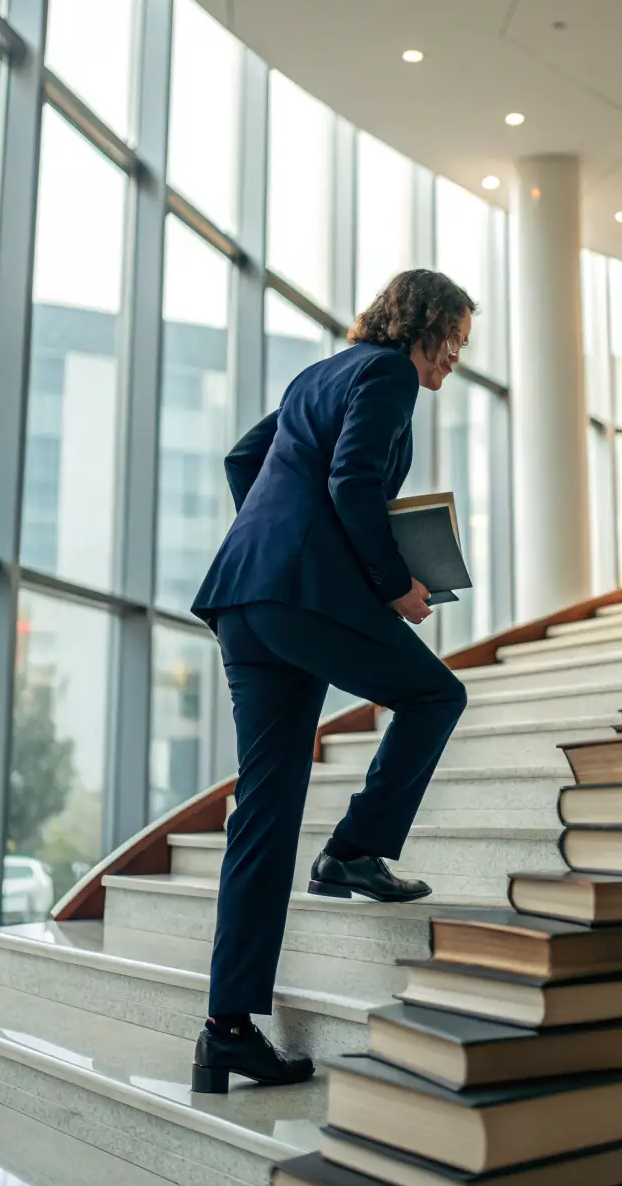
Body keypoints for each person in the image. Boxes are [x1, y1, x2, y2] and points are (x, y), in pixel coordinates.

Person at [188, 269, 475, 1095]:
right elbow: (352, 483)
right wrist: (392, 585)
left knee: (266, 812)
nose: (453, 357)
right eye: (450, 338)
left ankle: (227, 1031)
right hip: (298, 595)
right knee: (436, 694)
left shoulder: (319, 373)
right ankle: (352, 850)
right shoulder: (384, 374)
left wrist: (284, 537)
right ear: (418, 324)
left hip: (246, 599)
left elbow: (247, 458)